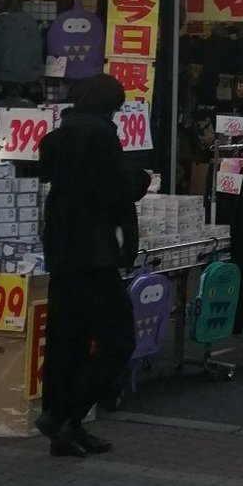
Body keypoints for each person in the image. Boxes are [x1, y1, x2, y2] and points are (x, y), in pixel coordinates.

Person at [36, 74, 149, 458]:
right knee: (118, 338)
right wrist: (141, 179)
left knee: (68, 339)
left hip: (62, 252)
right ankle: (68, 416)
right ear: (109, 105)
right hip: (94, 253)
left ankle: (61, 422)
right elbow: (116, 190)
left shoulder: (58, 135)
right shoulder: (101, 137)